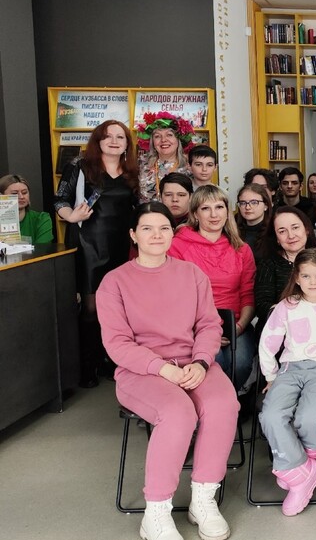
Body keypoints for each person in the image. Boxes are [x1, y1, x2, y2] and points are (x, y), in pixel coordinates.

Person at [96, 202, 238, 540]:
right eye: (147, 228)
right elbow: (117, 343)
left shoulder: (192, 274)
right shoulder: (114, 282)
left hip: (193, 363)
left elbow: (209, 325)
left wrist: (202, 362)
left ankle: (203, 499)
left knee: (224, 404)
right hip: (141, 371)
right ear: (133, 235)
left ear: (172, 233)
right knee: (177, 413)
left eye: (163, 228)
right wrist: (162, 369)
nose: (156, 235)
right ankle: (156, 513)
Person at [257, 248, 316, 516]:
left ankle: (297, 468)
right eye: (306, 276)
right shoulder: (286, 306)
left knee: (309, 417)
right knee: (271, 415)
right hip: (290, 369)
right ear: (297, 278)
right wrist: (271, 375)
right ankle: (303, 473)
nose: (312, 281)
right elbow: (268, 343)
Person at [54, 120, 140, 387]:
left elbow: (138, 207)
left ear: (127, 143)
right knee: (91, 309)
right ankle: (86, 365)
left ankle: (109, 360)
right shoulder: (80, 166)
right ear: (98, 141)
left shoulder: (133, 170)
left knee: (116, 308)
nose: (114, 141)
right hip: (88, 244)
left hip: (121, 246)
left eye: (120, 137)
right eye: (107, 136)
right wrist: (71, 215)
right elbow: (60, 199)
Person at [168, 185, 256, 392]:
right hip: (195, 325)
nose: (214, 215)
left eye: (219, 207)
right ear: (195, 214)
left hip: (235, 324)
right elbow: (176, 297)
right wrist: (204, 331)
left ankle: (230, 400)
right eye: (206, 208)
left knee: (240, 364)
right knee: (216, 365)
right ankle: (217, 403)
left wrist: (239, 327)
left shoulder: (241, 249)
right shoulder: (177, 245)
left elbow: (247, 294)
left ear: (227, 212)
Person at [255, 206, 316, 325]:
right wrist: (297, 315)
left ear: (307, 229)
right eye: (282, 231)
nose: (291, 235)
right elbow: (262, 306)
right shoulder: (268, 264)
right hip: (281, 328)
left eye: (295, 227)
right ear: (277, 238)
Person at [135, 112, 194, 203]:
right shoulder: (141, 163)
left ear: (179, 140)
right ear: (152, 142)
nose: (163, 140)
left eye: (169, 135)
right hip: (146, 211)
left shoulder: (190, 166)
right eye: (157, 136)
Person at [0, 174, 53, 244]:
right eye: (14, 193)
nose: (21, 197)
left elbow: (42, 247)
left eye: (24, 192)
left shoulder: (41, 218)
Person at [234, 183, 272, 257]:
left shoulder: (273, 232)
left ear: (266, 205)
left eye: (254, 202)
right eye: (243, 203)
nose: (248, 207)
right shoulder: (233, 231)